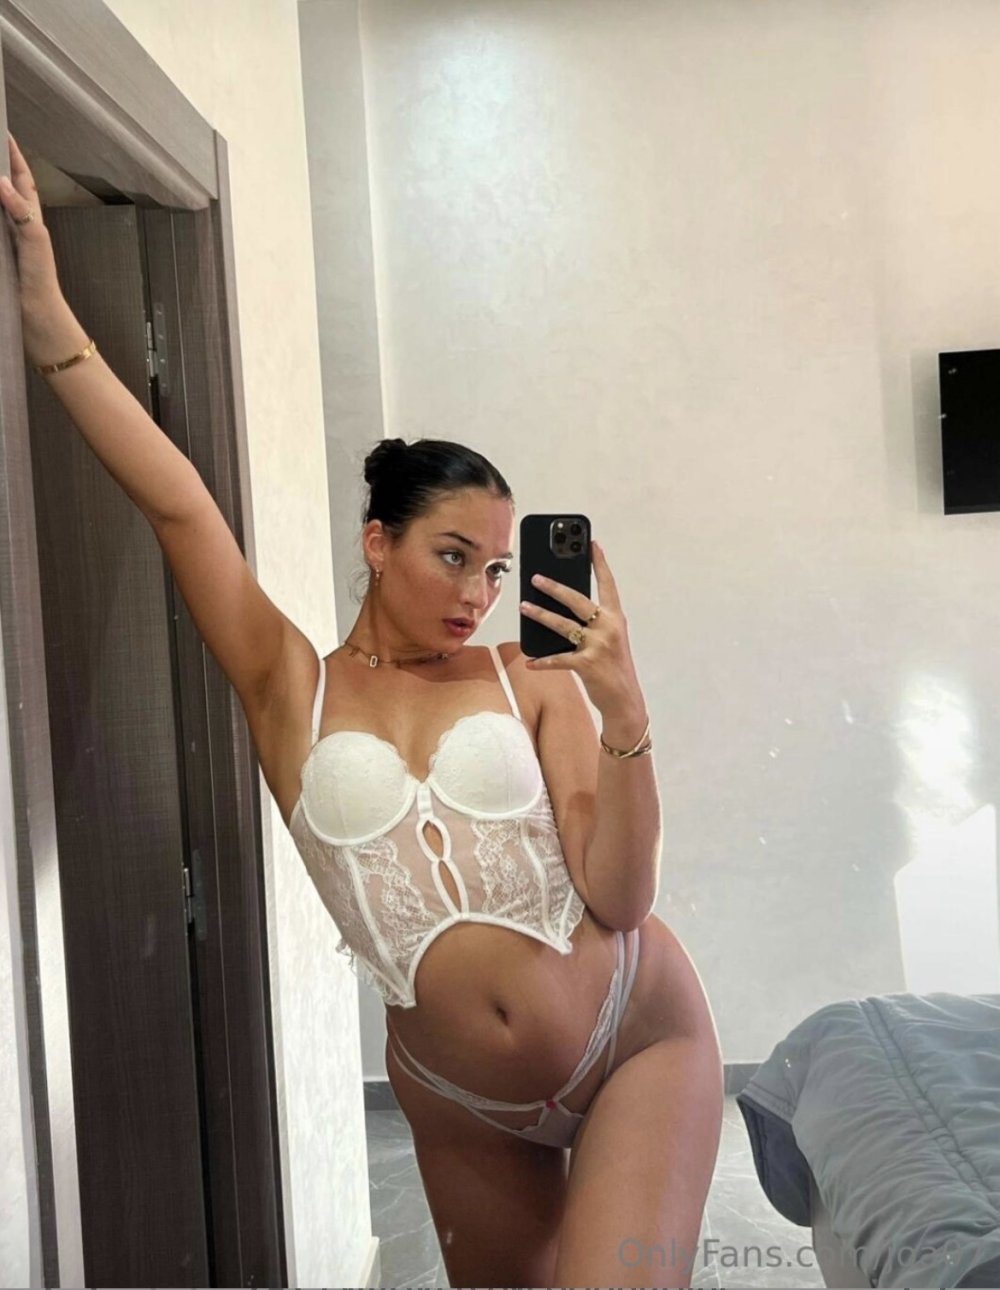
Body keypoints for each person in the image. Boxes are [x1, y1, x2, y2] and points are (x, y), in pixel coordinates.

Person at [1, 132, 724, 1289]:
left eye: (496, 568)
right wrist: (44, 308)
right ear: (377, 541)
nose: (479, 592)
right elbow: (180, 509)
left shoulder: (529, 677)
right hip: (457, 1099)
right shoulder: (290, 687)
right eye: (453, 555)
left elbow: (621, 897)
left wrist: (624, 712)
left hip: (634, 1035)